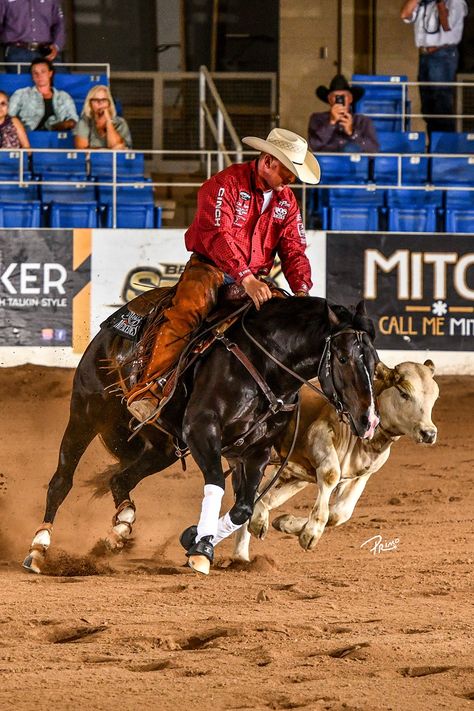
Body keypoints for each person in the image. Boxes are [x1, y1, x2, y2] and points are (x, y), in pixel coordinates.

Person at [127, 127, 321, 423]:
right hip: (210, 268)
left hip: (254, 277)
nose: (292, 178)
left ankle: (271, 401)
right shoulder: (225, 184)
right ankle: (150, 389)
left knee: (282, 323)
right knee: (186, 311)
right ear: (268, 161)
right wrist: (246, 277)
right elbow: (217, 233)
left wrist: (303, 292)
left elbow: (294, 249)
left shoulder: (287, 202)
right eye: (288, 170)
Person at [401, 0, 468, 135]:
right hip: (425, 55)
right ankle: (433, 145)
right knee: (428, 106)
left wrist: (440, 3)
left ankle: (444, 148)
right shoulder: (425, 4)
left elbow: (446, 25)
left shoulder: (456, 2)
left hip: (443, 54)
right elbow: (405, 14)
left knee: (441, 104)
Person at [308, 74, 379, 153]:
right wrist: (331, 123)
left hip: (354, 164)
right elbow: (313, 145)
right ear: (329, 99)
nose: (340, 100)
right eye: (336, 97)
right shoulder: (317, 119)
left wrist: (352, 132)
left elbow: (373, 149)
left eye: (343, 96)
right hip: (326, 163)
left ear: (350, 99)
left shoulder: (363, 121)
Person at [8, 58, 77, 131]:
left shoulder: (64, 96)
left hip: (57, 137)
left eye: (43, 72)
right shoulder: (21, 94)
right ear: (32, 76)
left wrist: (65, 124)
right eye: (35, 73)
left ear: (50, 73)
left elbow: (74, 119)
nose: (39, 75)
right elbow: (7, 117)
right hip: (27, 135)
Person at [0, 0, 65, 74]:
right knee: (19, 83)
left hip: (46, 51)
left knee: (61, 81)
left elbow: (59, 24)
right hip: (17, 51)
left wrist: (56, 46)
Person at [74, 85, 132, 150]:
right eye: (96, 100)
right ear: (90, 104)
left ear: (109, 103)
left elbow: (118, 151)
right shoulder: (84, 122)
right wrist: (105, 151)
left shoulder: (120, 122)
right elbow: (82, 150)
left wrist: (108, 121)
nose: (100, 103)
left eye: (104, 100)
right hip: (91, 160)